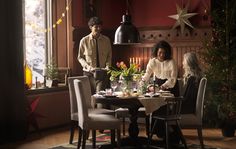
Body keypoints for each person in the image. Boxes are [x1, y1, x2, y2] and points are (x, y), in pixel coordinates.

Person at [152, 52, 203, 146]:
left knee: (159, 109)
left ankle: (168, 138)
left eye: (184, 61)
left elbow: (188, 99)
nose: (182, 63)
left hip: (187, 108)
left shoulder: (193, 78)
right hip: (188, 106)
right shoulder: (196, 77)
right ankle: (171, 137)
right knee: (162, 108)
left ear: (188, 63)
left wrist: (174, 102)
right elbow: (188, 98)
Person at [78, 16, 112, 94]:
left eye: (100, 27)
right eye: (96, 27)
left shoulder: (106, 40)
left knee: (100, 96)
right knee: (89, 96)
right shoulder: (84, 41)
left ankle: (100, 107)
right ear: (90, 27)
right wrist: (88, 67)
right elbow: (80, 57)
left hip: (102, 74)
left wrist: (108, 66)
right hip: (88, 74)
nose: (98, 29)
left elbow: (109, 56)